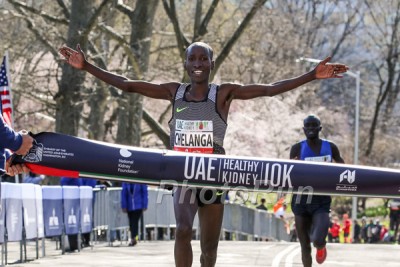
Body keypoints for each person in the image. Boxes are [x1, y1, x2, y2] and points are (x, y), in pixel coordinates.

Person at [59, 42, 348, 266]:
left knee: (209, 252)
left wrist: (312, 75)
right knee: (183, 229)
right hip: (183, 173)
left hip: (213, 175)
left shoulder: (222, 94)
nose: (197, 63)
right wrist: (87, 66)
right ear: (185, 64)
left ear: (211, 63)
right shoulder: (175, 92)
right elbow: (127, 85)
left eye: (203, 58)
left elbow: (270, 90)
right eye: (192, 59)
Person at [290, 114, 345, 266]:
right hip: (300, 199)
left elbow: (343, 168)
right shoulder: (297, 148)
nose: (311, 129)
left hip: (321, 199)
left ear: (320, 128)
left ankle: (321, 247)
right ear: (303, 129)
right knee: (305, 247)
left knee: (318, 240)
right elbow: (289, 172)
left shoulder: (330, 147)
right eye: (308, 126)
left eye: (314, 125)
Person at [121, 182, 148, 246]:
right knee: (131, 223)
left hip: (138, 206)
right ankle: (134, 238)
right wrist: (124, 206)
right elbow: (123, 193)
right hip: (129, 206)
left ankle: (134, 238)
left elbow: (145, 192)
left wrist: (145, 205)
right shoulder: (125, 182)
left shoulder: (140, 181)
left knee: (134, 223)